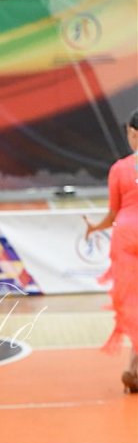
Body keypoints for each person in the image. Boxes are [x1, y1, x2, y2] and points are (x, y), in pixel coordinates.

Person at [83, 109, 138, 393]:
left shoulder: (119, 169)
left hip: (126, 236)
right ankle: (134, 367)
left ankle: (134, 367)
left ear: (132, 133)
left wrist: (95, 227)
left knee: (131, 303)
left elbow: (114, 213)